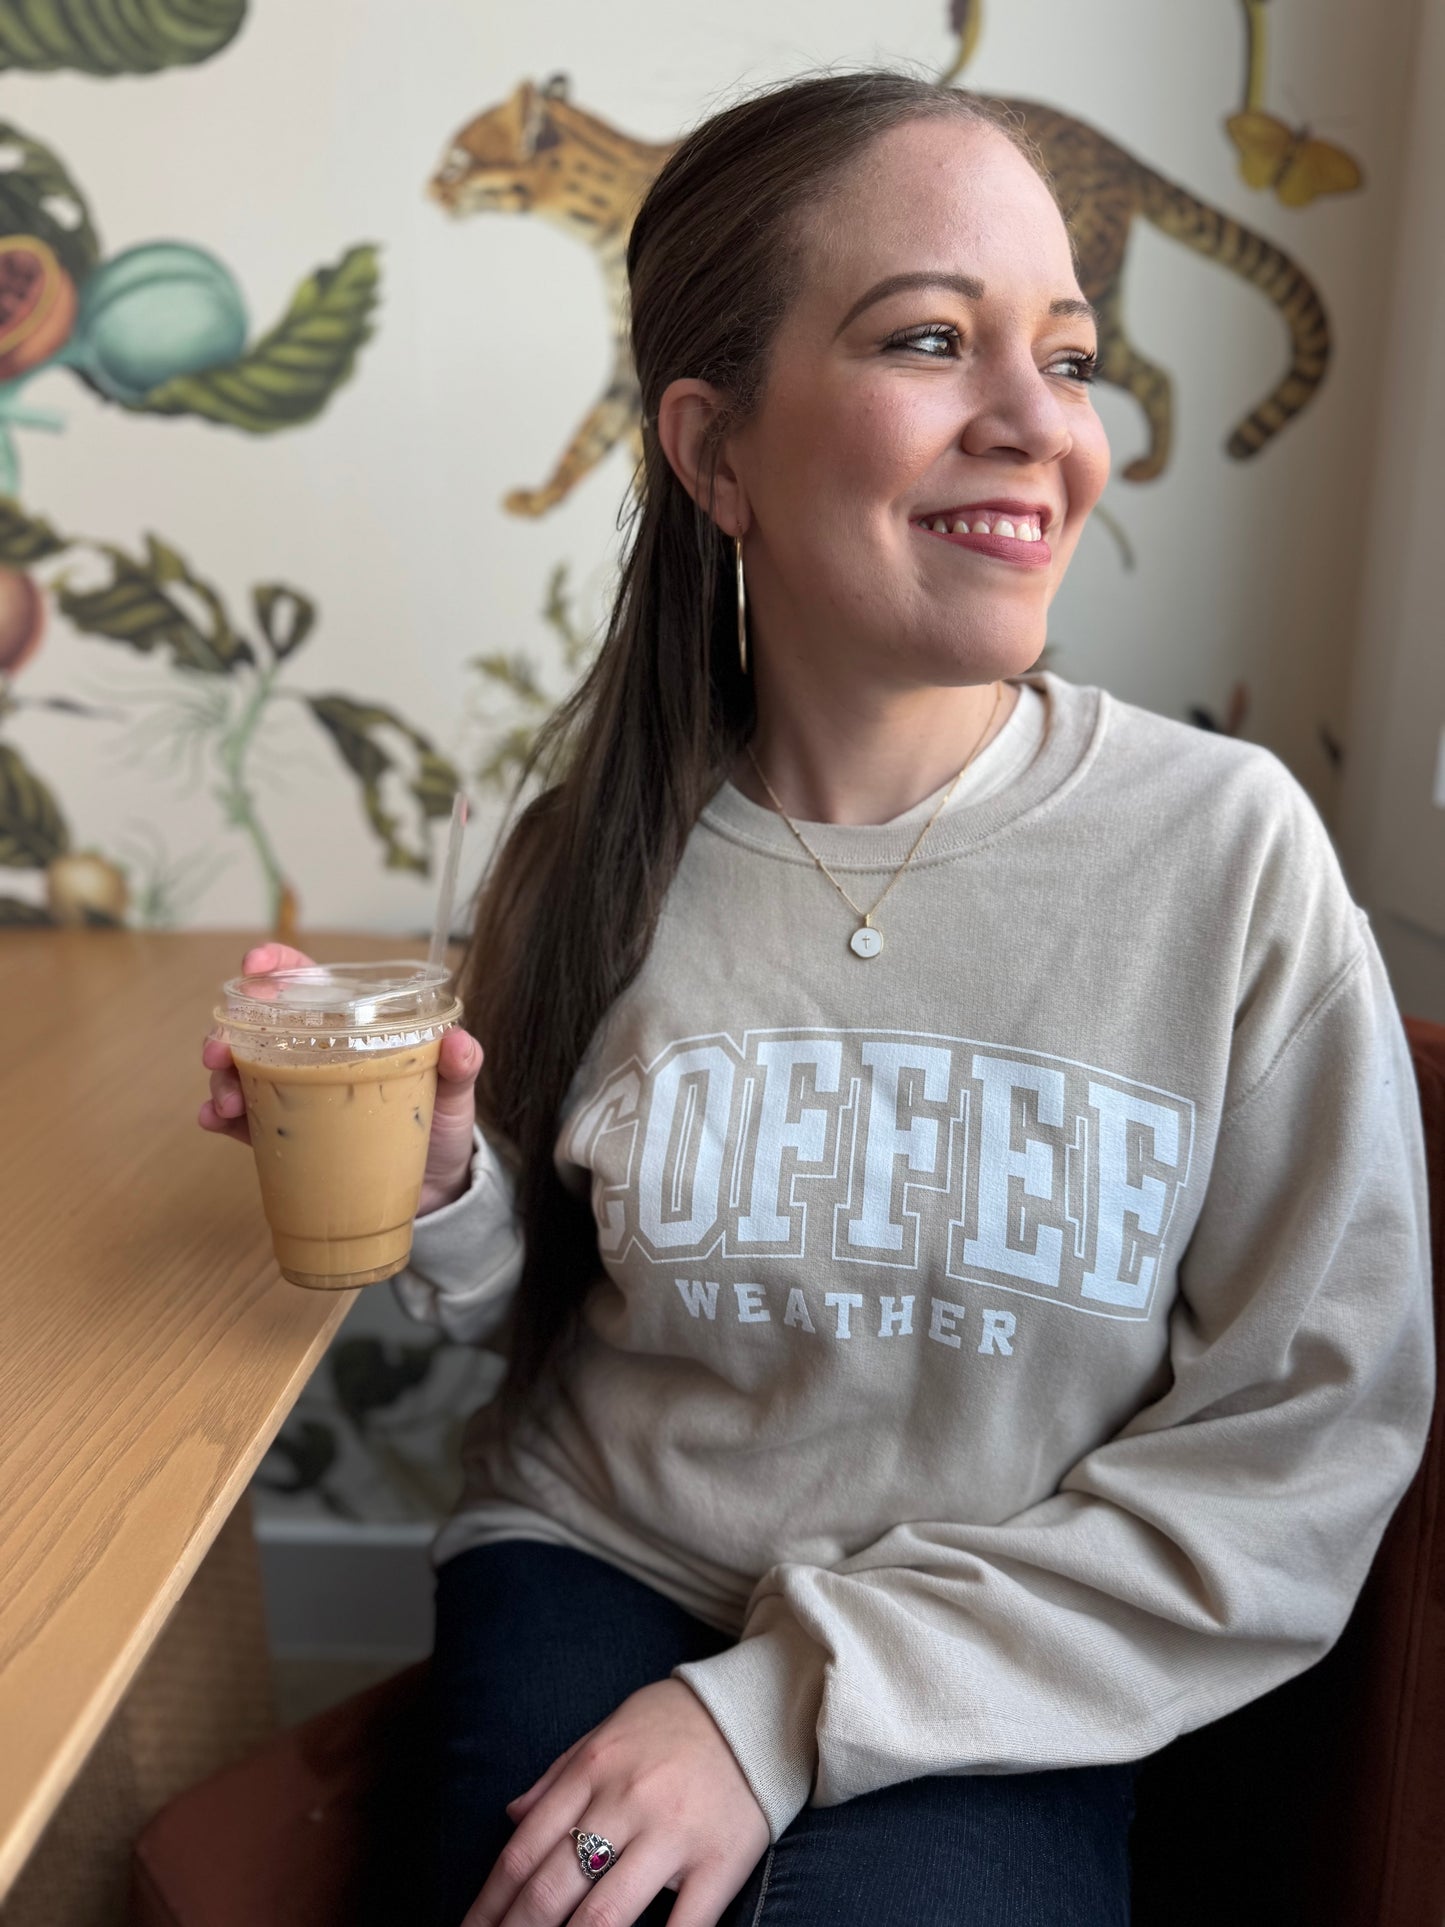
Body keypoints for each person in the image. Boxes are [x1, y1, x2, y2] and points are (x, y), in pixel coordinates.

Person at [199, 68, 1434, 1927]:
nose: (1040, 424)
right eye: (933, 341)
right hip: (600, 1557)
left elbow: (1308, 1437)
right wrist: (447, 1186)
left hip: (999, 1645)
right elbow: (516, 1312)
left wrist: (782, 1704)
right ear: (714, 453)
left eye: (1072, 356)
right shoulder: (577, 849)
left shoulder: (1225, 855)